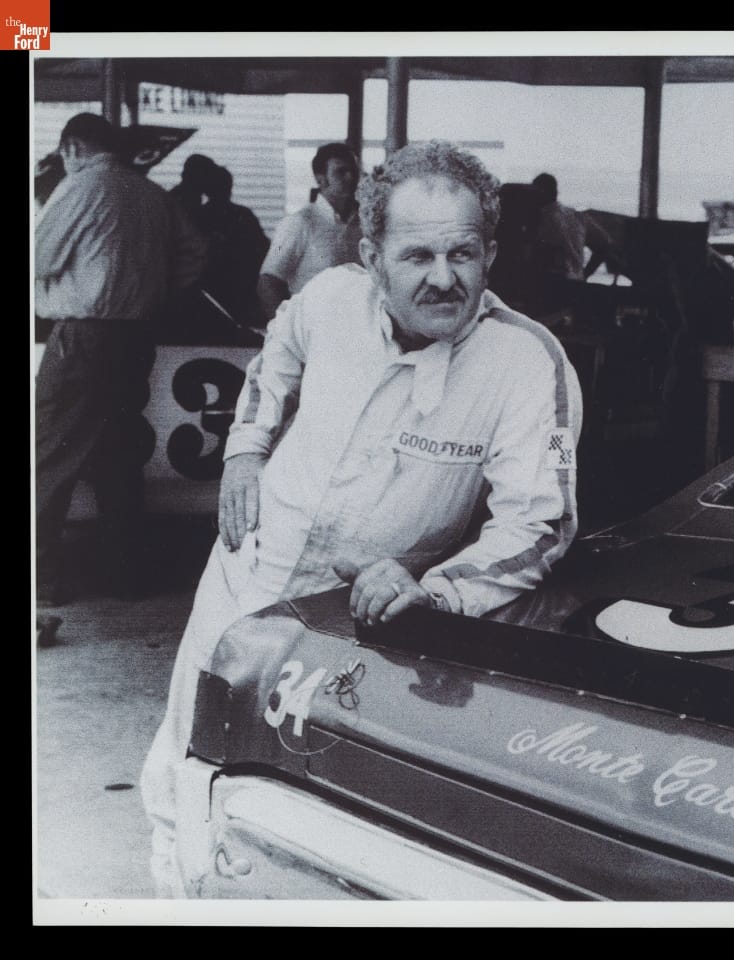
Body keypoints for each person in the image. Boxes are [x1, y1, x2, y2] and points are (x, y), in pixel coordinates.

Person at [140, 140, 584, 897]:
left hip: (360, 618)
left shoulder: (527, 363)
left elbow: (538, 526)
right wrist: (246, 448)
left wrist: (437, 590)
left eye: (464, 254)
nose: (444, 279)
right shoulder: (328, 298)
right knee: (182, 773)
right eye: (416, 257)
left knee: (306, 813)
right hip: (246, 570)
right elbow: (275, 353)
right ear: (372, 255)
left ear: (492, 253)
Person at [35, 113, 208, 605]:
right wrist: (153, 291)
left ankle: (41, 580)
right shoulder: (150, 193)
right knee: (119, 457)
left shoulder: (80, 187)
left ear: (72, 148)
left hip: (82, 335)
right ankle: (125, 577)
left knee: (49, 454)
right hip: (135, 337)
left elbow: (37, 257)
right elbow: (195, 252)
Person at [256, 142, 362, 319]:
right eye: (341, 172)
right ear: (321, 179)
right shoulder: (299, 223)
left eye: (354, 171)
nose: (350, 177)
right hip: (312, 329)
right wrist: (285, 331)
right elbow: (268, 282)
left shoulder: (366, 224)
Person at [196, 164, 271, 331]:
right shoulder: (242, 215)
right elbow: (264, 250)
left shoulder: (199, 216)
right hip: (230, 291)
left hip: (228, 291)